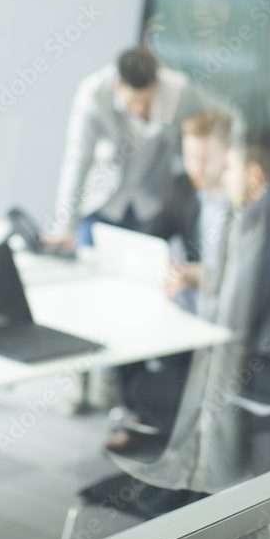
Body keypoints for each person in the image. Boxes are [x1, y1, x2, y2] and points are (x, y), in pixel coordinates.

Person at [115, 127, 270, 514]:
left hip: (266, 386)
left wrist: (181, 294)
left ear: (254, 174)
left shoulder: (256, 217)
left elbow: (229, 320)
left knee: (146, 387)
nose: (224, 177)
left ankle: (188, 497)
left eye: (230, 168)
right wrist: (207, 277)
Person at [104, 110, 233, 454]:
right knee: (128, 324)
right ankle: (133, 416)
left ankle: (168, 425)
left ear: (228, 156)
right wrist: (149, 259)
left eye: (206, 159)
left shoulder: (241, 202)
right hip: (188, 300)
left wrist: (199, 275)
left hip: (219, 311)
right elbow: (156, 231)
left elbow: (241, 273)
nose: (197, 168)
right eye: (191, 157)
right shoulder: (184, 188)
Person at [48, 44, 217, 248]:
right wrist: (64, 226)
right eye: (133, 102)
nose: (139, 109)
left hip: (149, 206)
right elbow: (78, 159)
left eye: (146, 102)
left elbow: (221, 118)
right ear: (117, 84)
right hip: (102, 202)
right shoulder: (93, 95)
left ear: (158, 84)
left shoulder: (177, 92)